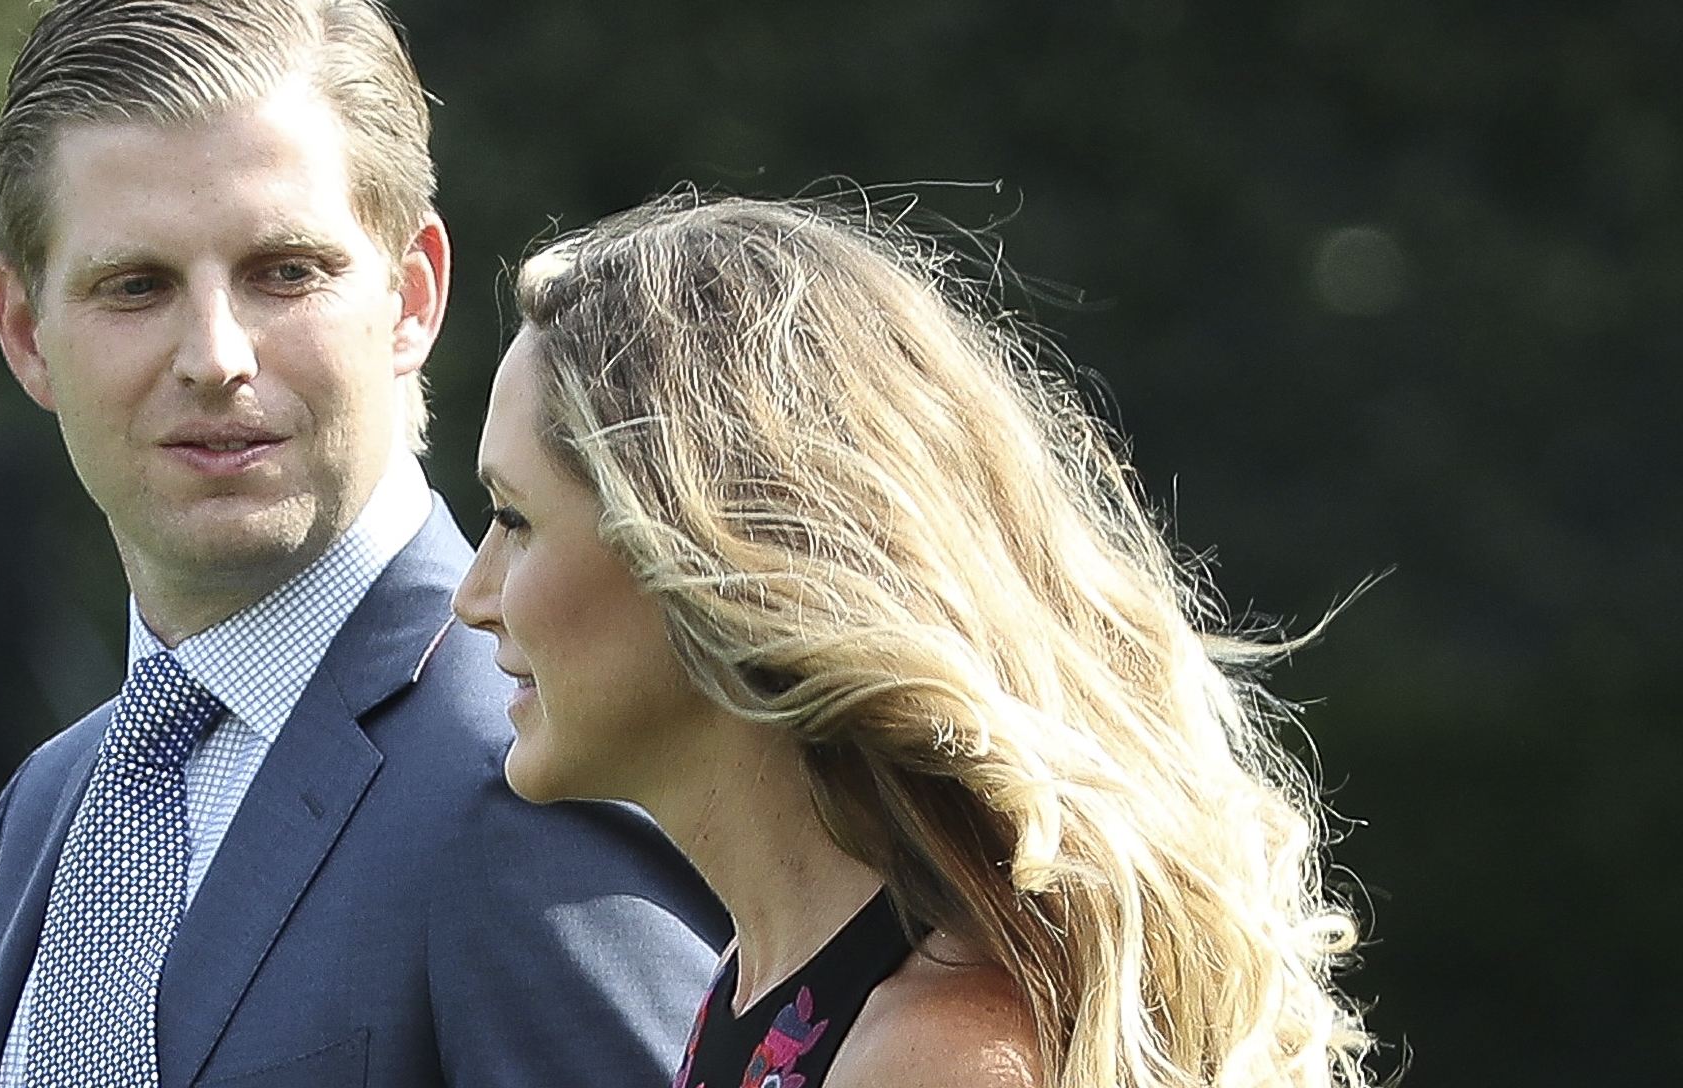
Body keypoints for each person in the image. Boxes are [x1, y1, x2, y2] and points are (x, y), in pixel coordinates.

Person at [0, 0, 724, 1088]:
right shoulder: (46, 813)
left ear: (411, 298)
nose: (215, 357)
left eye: (285, 272)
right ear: (23, 332)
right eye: (136, 286)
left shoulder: (538, 774)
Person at [452, 194, 1376, 1088]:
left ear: (705, 552)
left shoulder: (937, 1054)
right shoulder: (769, 980)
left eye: (514, 518)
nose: (473, 596)